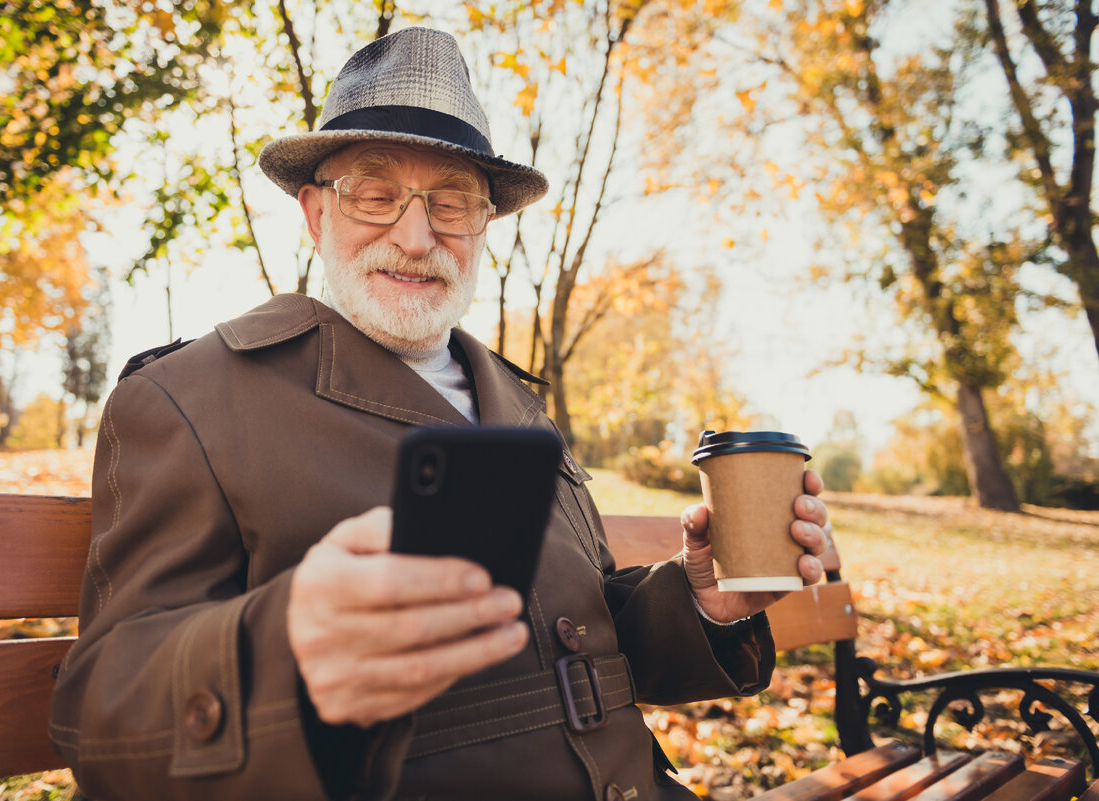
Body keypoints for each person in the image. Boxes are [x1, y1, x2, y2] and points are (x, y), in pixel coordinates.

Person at [49, 26, 832, 801]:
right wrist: (283, 648)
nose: (417, 236)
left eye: (451, 202)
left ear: (483, 224)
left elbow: (578, 638)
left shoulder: (518, 402)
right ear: (317, 215)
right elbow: (103, 714)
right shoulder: (191, 398)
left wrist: (702, 600)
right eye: (376, 194)